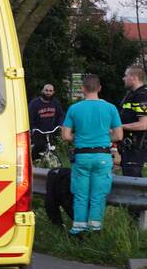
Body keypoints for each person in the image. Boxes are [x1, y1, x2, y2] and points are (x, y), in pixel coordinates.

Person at [60, 74, 124, 236]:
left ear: (82, 89)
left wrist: (80, 136)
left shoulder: (74, 109)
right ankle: (95, 229)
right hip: (102, 157)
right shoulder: (110, 108)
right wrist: (102, 136)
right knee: (98, 195)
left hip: (82, 157)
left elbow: (66, 136)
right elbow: (119, 136)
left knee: (80, 195)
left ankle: (78, 230)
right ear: (100, 88)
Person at [119, 65, 147, 177]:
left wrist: (120, 127)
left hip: (137, 147)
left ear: (134, 78)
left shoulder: (142, 95)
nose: (123, 78)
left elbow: (144, 124)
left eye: (126, 76)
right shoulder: (131, 94)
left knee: (133, 180)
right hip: (128, 148)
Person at [28, 83, 65, 160]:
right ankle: (33, 164)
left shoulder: (55, 102)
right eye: (46, 90)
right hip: (38, 131)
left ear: (53, 92)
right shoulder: (34, 103)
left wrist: (60, 124)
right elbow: (29, 118)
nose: (48, 92)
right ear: (42, 91)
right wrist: (33, 128)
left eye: (50, 91)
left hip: (50, 131)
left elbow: (60, 115)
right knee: (39, 148)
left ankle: (50, 165)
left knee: (50, 148)